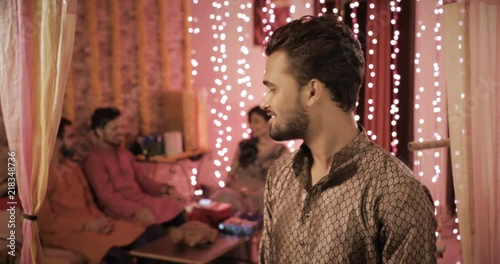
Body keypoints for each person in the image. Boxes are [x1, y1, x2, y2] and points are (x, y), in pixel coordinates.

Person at [258, 15, 437, 263]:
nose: (264, 102)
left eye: (273, 88)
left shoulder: (398, 193)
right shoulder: (280, 176)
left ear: (312, 92)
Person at [39, 117, 165, 264]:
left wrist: (101, 221)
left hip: (93, 225)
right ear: (55, 139)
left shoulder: (73, 168)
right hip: (66, 233)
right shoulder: (40, 175)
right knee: (118, 257)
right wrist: (86, 226)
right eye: (70, 137)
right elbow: (46, 223)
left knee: (144, 240)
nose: (75, 142)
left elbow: (89, 203)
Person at [82, 108, 187, 229]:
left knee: (176, 207)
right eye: (114, 129)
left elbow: (144, 181)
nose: (121, 132)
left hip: (142, 201)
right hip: (119, 210)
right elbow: (107, 197)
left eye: (121, 127)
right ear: (99, 132)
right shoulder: (94, 159)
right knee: (156, 227)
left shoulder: (125, 154)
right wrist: (135, 210)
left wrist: (167, 189)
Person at [211, 106, 287, 213]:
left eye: (256, 121)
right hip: (236, 193)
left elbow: (280, 184)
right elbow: (231, 174)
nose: (252, 126)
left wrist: (254, 193)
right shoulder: (244, 146)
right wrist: (233, 185)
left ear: (269, 122)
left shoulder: (279, 151)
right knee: (223, 198)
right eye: (250, 122)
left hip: (260, 197)